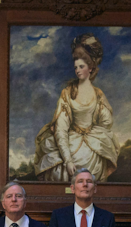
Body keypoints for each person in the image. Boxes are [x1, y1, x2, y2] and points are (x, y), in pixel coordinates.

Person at [33, 33, 120, 183]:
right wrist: (67, 160)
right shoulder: (68, 93)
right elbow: (61, 127)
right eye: (75, 67)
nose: (77, 70)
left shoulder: (98, 94)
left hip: (93, 142)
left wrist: (93, 130)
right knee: (57, 162)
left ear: (90, 68)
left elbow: (106, 122)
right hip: (70, 140)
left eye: (81, 67)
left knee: (93, 163)